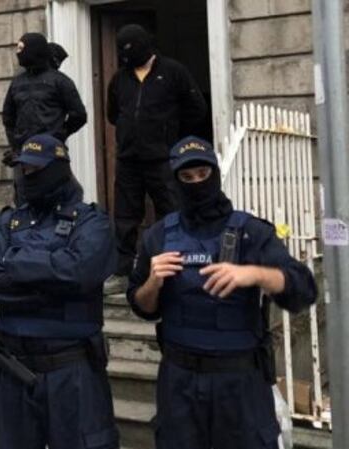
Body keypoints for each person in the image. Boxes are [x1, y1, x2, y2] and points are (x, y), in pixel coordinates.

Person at [127, 136, 317, 449]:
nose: (196, 183)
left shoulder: (250, 232)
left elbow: (303, 289)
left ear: (215, 174)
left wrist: (254, 273)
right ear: (174, 182)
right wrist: (153, 282)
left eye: (203, 174)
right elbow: (142, 306)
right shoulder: (159, 235)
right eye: (186, 178)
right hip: (179, 385)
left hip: (239, 383)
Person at [0, 134, 120, 449]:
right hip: (15, 368)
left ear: (57, 169)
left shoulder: (91, 221)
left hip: (72, 370)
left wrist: (15, 264)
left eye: (33, 171)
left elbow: (81, 273)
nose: (25, 178)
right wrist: (54, 282)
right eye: (22, 170)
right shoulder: (8, 223)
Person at [105, 24, 208, 293]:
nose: (127, 57)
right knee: (125, 216)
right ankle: (122, 271)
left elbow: (196, 109)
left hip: (163, 158)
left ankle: (173, 268)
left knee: (171, 211)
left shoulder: (173, 72)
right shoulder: (120, 78)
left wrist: (172, 138)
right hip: (128, 159)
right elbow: (113, 114)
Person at [2, 32, 86, 166]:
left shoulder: (60, 81)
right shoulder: (17, 83)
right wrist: (16, 146)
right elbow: (8, 118)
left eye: (21, 48)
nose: (18, 53)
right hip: (24, 156)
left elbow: (79, 115)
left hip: (51, 155)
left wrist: (58, 135)